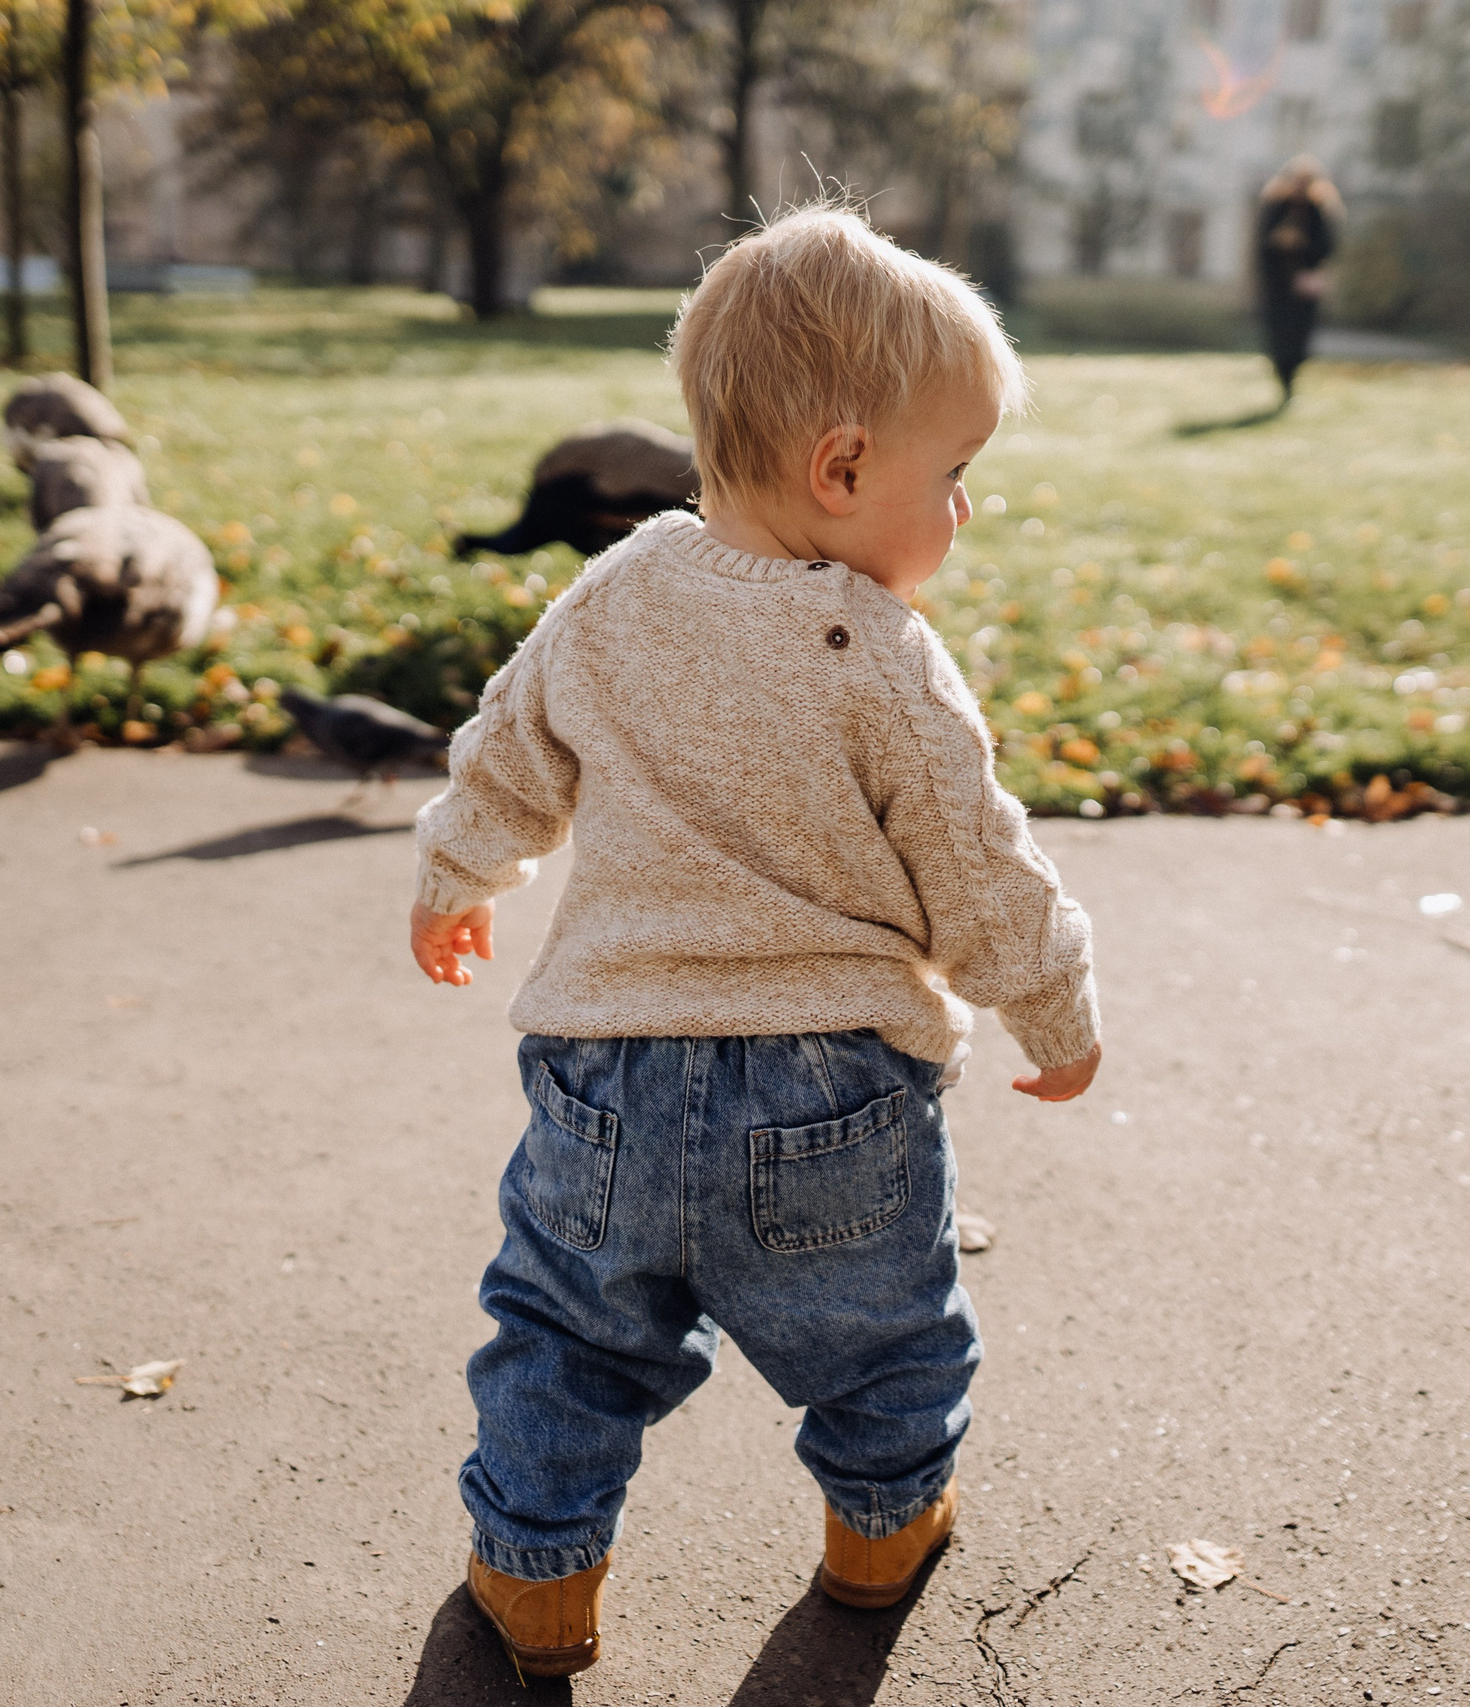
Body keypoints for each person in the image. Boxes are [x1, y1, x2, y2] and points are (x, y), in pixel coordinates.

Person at [406, 203, 1103, 1680]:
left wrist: (460, 868)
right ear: (842, 467)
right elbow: (979, 867)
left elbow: (509, 744)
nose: (964, 511)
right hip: (830, 1100)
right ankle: (881, 1531)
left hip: (601, 1084)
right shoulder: (887, 659)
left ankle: (532, 1575)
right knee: (886, 1339)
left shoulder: (609, 593)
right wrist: (1057, 1006)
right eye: (955, 475)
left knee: (566, 1339)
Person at [1256, 155, 1343, 403]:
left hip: (1305, 284)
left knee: (1301, 335)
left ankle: (1292, 377)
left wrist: (1303, 246)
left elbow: (1327, 246)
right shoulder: (1276, 207)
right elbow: (1263, 246)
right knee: (1278, 334)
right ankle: (1282, 376)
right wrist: (1280, 242)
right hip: (1279, 285)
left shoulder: (1317, 210)